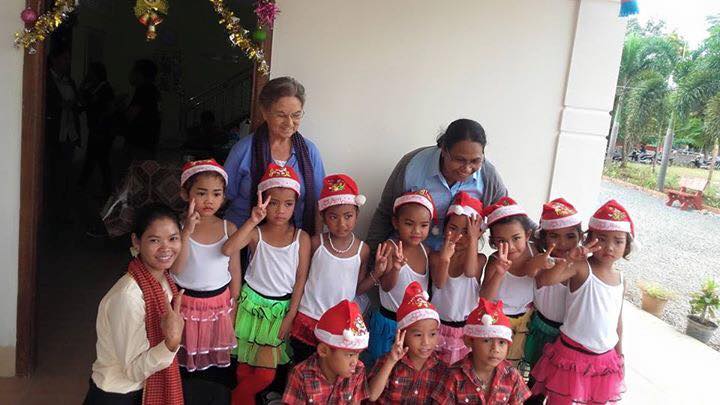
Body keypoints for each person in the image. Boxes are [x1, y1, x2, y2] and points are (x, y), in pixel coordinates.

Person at [221, 163, 311, 404]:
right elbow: (228, 249)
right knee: (244, 365)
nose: (280, 210)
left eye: (288, 204)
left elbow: (301, 278)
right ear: (262, 201)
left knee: (265, 373)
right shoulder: (256, 233)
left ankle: (236, 398)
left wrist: (291, 315)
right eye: (273, 203)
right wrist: (252, 220)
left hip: (278, 311)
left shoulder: (300, 238)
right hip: (250, 304)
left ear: (295, 205)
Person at [84, 203, 185, 404]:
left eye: (173, 238)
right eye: (154, 240)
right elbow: (133, 371)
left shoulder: (164, 280)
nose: (166, 248)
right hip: (118, 395)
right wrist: (170, 344)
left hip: (143, 388)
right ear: (136, 242)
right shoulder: (128, 297)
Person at [531, 200, 630, 404]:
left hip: (605, 359)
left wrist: (620, 356)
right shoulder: (582, 267)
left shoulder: (621, 279)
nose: (609, 247)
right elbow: (545, 279)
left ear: (627, 245)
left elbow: (617, 323)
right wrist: (570, 259)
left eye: (618, 241)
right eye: (602, 239)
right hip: (572, 355)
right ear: (589, 238)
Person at [367, 118, 508, 252]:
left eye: (475, 161)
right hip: (409, 257)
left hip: (456, 262)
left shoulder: (488, 175)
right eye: (459, 160)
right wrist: (370, 260)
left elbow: (506, 216)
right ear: (444, 150)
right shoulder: (412, 165)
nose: (467, 168)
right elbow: (385, 213)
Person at [289, 174, 385, 364]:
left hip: (339, 326)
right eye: (333, 217)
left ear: (357, 215)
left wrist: (378, 272)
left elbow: (357, 289)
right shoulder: (316, 243)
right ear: (323, 217)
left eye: (348, 216)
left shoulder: (362, 250)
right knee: (302, 365)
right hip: (309, 316)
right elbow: (300, 277)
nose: (342, 224)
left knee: (331, 370)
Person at [224, 76, 325, 235]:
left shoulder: (309, 152)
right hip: (244, 240)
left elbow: (318, 205)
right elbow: (221, 196)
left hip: (294, 243)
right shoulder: (243, 150)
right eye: (281, 115)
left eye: (296, 115)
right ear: (265, 112)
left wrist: (316, 245)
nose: (290, 123)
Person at [170, 159, 241, 374]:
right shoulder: (178, 228)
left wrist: (234, 304)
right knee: (185, 356)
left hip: (218, 305)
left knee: (212, 358)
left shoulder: (230, 228)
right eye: (201, 193)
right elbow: (177, 269)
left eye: (216, 194)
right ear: (185, 194)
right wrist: (187, 232)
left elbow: (235, 270)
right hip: (186, 304)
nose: (209, 200)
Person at [479, 197, 554, 368]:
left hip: (525, 321)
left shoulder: (534, 252)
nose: (510, 247)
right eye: (502, 241)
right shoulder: (494, 260)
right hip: (497, 321)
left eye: (516, 238)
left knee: (513, 366)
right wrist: (499, 273)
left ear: (527, 235)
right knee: (493, 364)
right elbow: (485, 299)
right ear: (493, 241)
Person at [523, 198, 582, 404]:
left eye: (570, 236)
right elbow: (532, 272)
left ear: (580, 236)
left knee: (561, 389)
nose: (563, 243)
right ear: (544, 238)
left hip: (567, 339)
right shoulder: (541, 262)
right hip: (542, 331)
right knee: (535, 383)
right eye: (554, 236)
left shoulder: (581, 267)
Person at [366, 189, 434, 367]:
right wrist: (396, 268)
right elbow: (386, 287)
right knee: (381, 368)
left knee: (406, 371)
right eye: (409, 224)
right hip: (389, 324)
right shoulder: (390, 247)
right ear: (396, 222)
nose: (416, 231)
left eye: (424, 225)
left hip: (414, 328)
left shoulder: (427, 252)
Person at [431, 298, 531, 404]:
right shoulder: (454, 376)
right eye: (487, 340)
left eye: (502, 342)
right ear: (469, 341)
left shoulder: (512, 376)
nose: (495, 349)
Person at [430, 192, 486, 365]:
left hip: (464, 330)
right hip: (437, 328)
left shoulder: (480, 259)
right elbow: (440, 283)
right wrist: (445, 259)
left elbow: (470, 272)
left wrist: (474, 239)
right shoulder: (435, 257)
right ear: (444, 229)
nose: (459, 236)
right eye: (453, 228)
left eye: (466, 231)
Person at [368, 282, 446, 404]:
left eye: (432, 334)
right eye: (418, 335)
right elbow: (372, 396)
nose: (426, 342)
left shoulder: (441, 368)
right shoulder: (388, 361)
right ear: (402, 334)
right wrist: (391, 362)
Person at [282, 299, 370, 404]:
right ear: (323, 350)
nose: (354, 362)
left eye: (358, 354)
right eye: (350, 355)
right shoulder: (301, 375)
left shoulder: (358, 370)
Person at [78, 62, 116, 196]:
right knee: (97, 159)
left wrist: (101, 120)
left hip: (102, 130)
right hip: (95, 128)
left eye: (91, 72)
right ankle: (103, 187)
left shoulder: (105, 88)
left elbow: (110, 108)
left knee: (99, 159)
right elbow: (84, 100)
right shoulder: (94, 88)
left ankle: (100, 187)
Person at [125, 59, 160, 161]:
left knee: (133, 173)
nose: (130, 74)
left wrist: (120, 107)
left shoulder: (144, 90)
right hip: (148, 142)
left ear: (139, 74)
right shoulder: (153, 90)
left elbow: (131, 115)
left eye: (133, 71)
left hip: (139, 143)